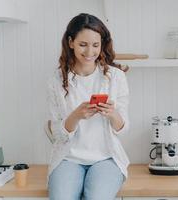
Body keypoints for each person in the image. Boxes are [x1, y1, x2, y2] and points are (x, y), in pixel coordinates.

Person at [46, 13, 130, 200]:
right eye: (83, 44)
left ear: (102, 45)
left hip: (107, 158)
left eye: (95, 45)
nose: (89, 52)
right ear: (70, 42)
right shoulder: (56, 80)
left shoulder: (116, 77)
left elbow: (123, 130)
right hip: (68, 159)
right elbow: (57, 135)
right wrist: (75, 116)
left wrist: (112, 114)